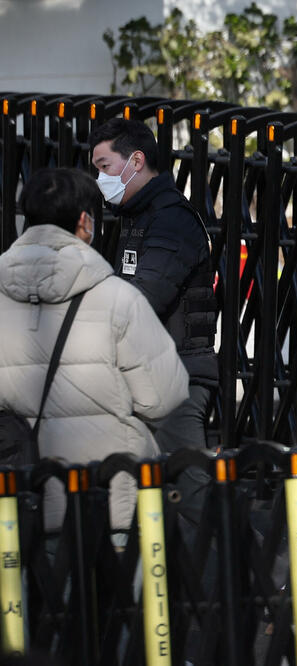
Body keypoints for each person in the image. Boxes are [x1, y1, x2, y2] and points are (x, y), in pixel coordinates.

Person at [0, 168, 188, 534]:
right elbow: (164, 396)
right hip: (106, 497)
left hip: (18, 503)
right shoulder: (118, 299)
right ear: (85, 222)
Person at [88, 118, 217, 453]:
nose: (100, 179)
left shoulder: (171, 220)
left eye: (105, 166)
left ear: (136, 161)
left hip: (176, 380)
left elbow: (143, 299)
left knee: (188, 489)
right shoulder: (137, 216)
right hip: (148, 376)